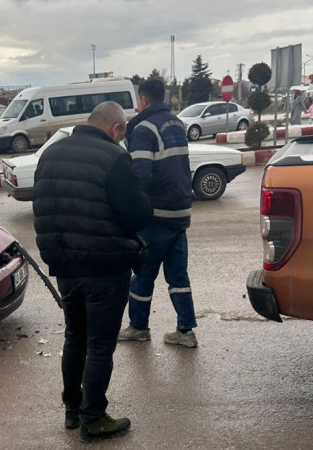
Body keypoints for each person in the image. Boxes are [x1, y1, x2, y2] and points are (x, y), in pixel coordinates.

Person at [33, 101, 152, 443]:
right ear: (115, 128)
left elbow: (43, 205)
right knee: (100, 344)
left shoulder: (50, 154)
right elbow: (136, 215)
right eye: (122, 134)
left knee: (75, 336)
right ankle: (94, 417)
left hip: (65, 265)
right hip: (104, 266)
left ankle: (72, 408)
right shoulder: (113, 157)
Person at [118, 78, 199, 348]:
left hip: (157, 215)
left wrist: (131, 211)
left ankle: (139, 327)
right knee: (178, 275)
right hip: (181, 212)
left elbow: (140, 175)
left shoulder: (144, 128)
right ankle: (185, 331)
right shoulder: (176, 123)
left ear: (143, 100)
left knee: (143, 273)